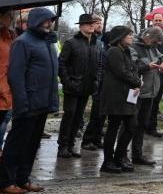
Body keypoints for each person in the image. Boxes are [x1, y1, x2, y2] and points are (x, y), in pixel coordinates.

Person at [0, 8, 59, 194]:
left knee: (32, 144)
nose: (49, 24)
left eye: (51, 20)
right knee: (16, 143)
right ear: (35, 21)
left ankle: (23, 178)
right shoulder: (23, 42)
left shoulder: (48, 42)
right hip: (28, 103)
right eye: (45, 20)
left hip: (43, 102)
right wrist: (22, 103)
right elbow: (15, 76)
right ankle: (6, 181)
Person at [98, 25, 145, 175]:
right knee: (113, 127)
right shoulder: (114, 51)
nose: (131, 37)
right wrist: (137, 82)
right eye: (128, 35)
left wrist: (137, 82)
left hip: (126, 95)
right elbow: (121, 72)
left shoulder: (126, 51)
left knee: (132, 125)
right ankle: (108, 161)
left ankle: (119, 157)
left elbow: (133, 69)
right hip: (115, 95)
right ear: (120, 37)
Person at [56, 13, 101, 158]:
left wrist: (96, 80)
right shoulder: (71, 42)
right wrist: (67, 82)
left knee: (78, 117)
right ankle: (63, 146)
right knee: (69, 115)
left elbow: (99, 64)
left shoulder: (96, 43)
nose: (92, 25)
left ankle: (70, 145)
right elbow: (61, 64)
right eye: (89, 23)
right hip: (73, 86)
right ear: (81, 26)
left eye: (93, 23)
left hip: (87, 87)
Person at [130, 27, 163, 166]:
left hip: (150, 93)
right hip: (136, 93)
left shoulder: (153, 48)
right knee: (130, 125)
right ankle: (121, 154)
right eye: (154, 42)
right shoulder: (134, 47)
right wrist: (148, 66)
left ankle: (137, 155)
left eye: (157, 43)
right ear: (147, 37)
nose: (155, 44)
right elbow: (132, 66)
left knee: (142, 125)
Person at [80, 14, 107, 151]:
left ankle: (97, 138)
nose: (99, 25)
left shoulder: (102, 40)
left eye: (100, 23)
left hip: (100, 79)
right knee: (95, 113)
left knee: (101, 112)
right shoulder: (89, 40)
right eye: (96, 22)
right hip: (88, 80)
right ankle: (87, 139)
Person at [145, 14, 163, 138]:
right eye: (155, 20)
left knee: (156, 100)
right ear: (152, 21)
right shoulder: (146, 33)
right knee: (145, 100)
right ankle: (140, 125)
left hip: (161, 72)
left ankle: (152, 127)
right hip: (147, 71)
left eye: (160, 20)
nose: (157, 22)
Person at [0, 8, 15, 152]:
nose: (10, 19)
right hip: (2, 88)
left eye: (11, 16)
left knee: (5, 120)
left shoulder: (11, 36)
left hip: (9, 87)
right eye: (7, 16)